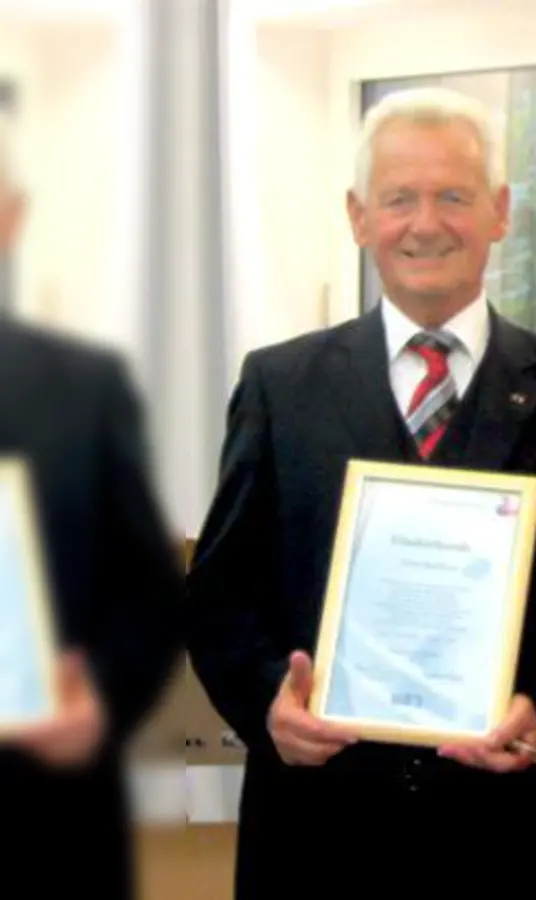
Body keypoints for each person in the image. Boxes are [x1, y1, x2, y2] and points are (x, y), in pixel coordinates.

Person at [185, 87, 536, 899]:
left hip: (508, 834)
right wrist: (267, 705)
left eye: (454, 197)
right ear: (360, 217)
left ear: (500, 212)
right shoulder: (278, 383)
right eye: (399, 198)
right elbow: (221, 597)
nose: (425, 223)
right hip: (315, 827)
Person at [0, 114, 184, 898]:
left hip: (46, 820)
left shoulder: (86, 389)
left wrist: (98, 704)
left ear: (10, 217)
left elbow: (148, 599)